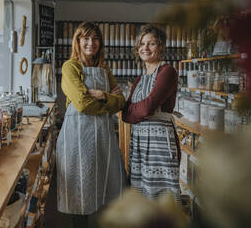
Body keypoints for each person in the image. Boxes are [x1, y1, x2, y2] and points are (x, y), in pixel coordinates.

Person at [56, 21, 127, 228]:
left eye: (95, 38)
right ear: (77, 41)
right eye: (85, 38)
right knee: (80, 190)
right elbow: (82, 103)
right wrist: (107, 101)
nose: (90, 43)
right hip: (77, 138)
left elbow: (121, 102)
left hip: (103, 137)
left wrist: (100, 94)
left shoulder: (104, 69)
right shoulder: (70, 67)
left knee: (103, 186)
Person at [122, 24, 181, 202]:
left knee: (162, 200)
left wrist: (135, 110)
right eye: (142, 44)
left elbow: (147, 107)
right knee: (141, 199)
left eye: (151, 44)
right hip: (139, 145)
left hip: (160, 145)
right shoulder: (139, 79)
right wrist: (136, 110)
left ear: (161, 46)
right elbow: (125, 115)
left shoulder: (167, 72)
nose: (145, 48)